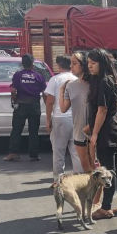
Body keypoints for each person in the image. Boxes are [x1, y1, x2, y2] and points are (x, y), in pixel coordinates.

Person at [86, 48, 117, 219]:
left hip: (106, 131)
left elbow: (102, 109)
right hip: (114, 129)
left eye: (93, 63)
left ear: (102, 63)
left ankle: (106, 207)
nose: (90, 66)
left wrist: (94, 134)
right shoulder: (111, 79)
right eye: (88, 63)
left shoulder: (104, 81)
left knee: (108, 171)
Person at [44, 55, 81, 185]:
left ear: (59, 66)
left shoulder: (55, 79)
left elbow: (49, 101)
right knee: (76, 150)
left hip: (60, 118)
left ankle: (58, 181)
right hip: (76, 118)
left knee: (58, 151)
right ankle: (78, 179)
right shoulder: (77, 79)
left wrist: (48, 119)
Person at [4, 54, 46, 162]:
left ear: (22, 64)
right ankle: (34, 155)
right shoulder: (39, 76)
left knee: (16, 130)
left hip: (21, 105)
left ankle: (13, 153)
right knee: (34, 131)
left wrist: (14, 101)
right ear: (33, 64)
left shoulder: (18, 75)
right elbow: (44, 92)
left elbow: (13, 90)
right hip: (34, 106)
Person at [60, 51, 94, 173]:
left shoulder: (95, 83)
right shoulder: (70, 86)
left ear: (84, 65)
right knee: (86, 168)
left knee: (97, 169)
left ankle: (100, 192)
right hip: (78, 132)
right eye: (71, 63)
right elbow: (63, 108)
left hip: (94, 132)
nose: (71, 66)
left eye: (74, 63)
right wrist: (61, 90)